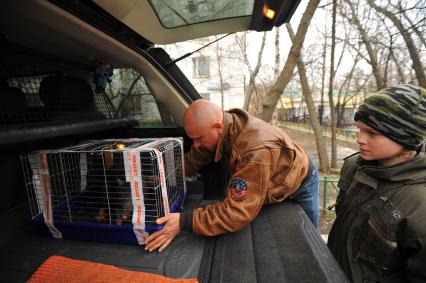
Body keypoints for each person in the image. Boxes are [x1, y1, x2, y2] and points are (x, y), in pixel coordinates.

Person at [144, 99, 319, 252]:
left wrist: (184, 222)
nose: (196, 145)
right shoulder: (222, 130)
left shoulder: (255, 151)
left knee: (309, 242)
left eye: (199, 139)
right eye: (193, 139)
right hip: (269, 176)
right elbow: (192, 160)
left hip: (301, 182)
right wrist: (158, 176)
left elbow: (237, 212)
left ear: (218, 127)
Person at [327, 84, 426, 282]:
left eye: (372, 133)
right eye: (359, 129)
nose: (359, 139)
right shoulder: (355, 165)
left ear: (405, 137)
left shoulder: (419, 204)